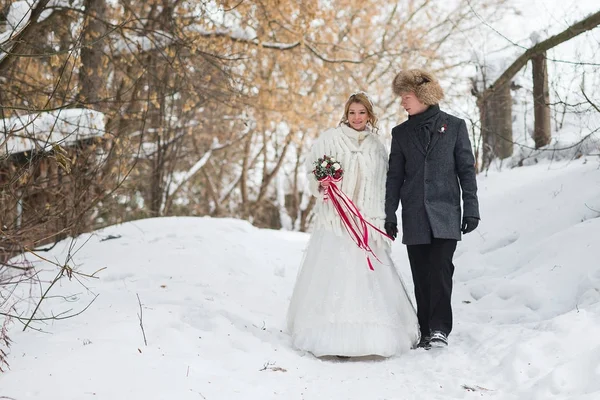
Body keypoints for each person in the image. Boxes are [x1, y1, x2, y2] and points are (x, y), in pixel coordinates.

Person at [287, 92, 419, 358]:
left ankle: (373, 338)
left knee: (368, 279)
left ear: (369, 115)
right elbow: (312, 172)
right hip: (336, 220)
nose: (357, 118)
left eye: (362, 113)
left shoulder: (377, 145)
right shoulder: (329, 139)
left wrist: (382, 218)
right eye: (352, 113)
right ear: (345, 115)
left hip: (367, 220)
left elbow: (384, 183)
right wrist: (322, 184)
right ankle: (329, 337)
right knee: (335, 275)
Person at [384, 69, 480, 349]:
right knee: (421, 272)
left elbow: (466, 170)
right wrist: (389, 213)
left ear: (424, 96)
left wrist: (471, 208)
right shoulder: (400, 133)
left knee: (440, 269)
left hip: (446, 212)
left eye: (407, 96)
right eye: (402, 97)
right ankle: (425, 330)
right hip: (414, 214)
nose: (403, 102)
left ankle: (440, 328)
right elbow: (394, 176)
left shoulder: (455, 126)